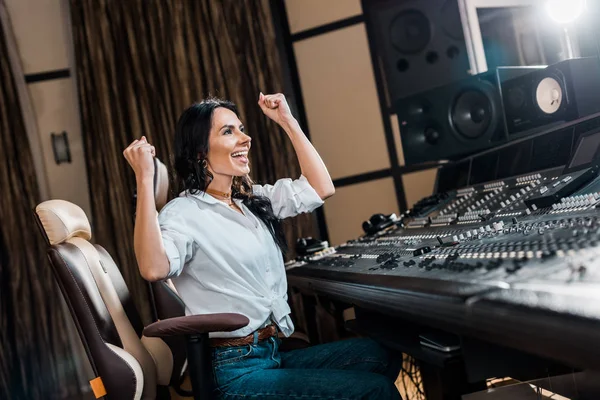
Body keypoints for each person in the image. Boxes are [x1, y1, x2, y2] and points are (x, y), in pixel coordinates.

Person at [123, 93, 402, 399]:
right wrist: (144, 178)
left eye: (241, 128)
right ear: (200, 152)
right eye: (229, 131)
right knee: (377, 390)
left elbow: (321, 187)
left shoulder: (251, 201)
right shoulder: (183, 212)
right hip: (233, 370)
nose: (246, 138)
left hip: (271, 351)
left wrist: (287, 121)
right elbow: (153, 268)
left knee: (378, 354)